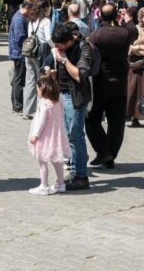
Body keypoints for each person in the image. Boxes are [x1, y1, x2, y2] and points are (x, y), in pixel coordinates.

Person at [42, 23, 94, 190]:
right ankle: (73, 171)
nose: (56, 48)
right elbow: (46, 63)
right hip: (60, 95)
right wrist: (49, 70)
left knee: (75, 134)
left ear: (69, 41)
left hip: (75, 97)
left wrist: (63, 60)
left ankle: (81, 176)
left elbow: (80, 75)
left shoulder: (84, 47)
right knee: (67, 134)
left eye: (59, 45)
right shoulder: (59, 47)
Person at [85, 3, 136, 167]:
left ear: (100, 16)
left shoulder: (96, 35)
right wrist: (127, 18)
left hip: (101, 84)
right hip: (120, 84)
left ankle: (104, 151)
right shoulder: (125, 33)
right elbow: (134, 31)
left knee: (92, 120)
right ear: (116, 16)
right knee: (116, 123)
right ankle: (110, 155)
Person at [28, 72, 71, 195]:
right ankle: (61, 184)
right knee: (57, 160)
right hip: (57, 134)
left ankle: (44, 186)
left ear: (42, 88)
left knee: (43, 161)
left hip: (45, 136)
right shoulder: (59, 99)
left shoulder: (44, 103)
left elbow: (41, 122)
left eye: (37, 88)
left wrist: (35, 135)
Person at [21, 0, 52, 120]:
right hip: (41, 52)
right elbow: (48, 38)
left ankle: (27, 110)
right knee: (42, 81)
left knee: (30, 81)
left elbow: (30, 36)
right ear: (45, 9)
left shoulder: (31, 21)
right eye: (49, 7)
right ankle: (40, 110)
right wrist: (55, 48)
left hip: (29, 52)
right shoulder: (46, 21)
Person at [8, 2, 29, 114]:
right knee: (19, 80)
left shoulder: (18, 17)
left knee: (17, 79)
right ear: (26, 8)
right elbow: (20, 37)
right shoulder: (19, 19)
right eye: (30, 11)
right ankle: (17, 105)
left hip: (17, 53)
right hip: (19, 53)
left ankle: (16, 104)